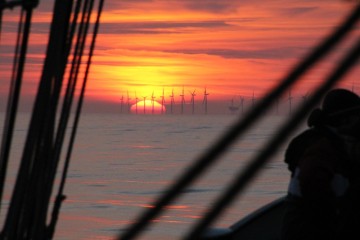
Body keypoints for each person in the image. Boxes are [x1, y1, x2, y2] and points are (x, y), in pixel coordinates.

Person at [281, 88, 360, 240]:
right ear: (345, 120)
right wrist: (334, 217)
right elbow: (311, 181)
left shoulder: (339, 144)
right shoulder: (322, 148)